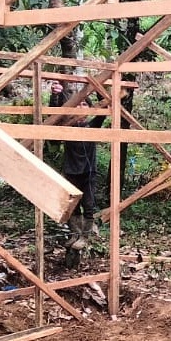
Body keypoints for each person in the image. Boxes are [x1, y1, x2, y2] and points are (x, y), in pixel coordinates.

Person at [51, 80, 99, 249]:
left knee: (88, 205)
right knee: (71, 206)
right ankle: (75, 234)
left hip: (88, 171)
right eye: (78, 104)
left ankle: (85, 237)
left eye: (85, 104)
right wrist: (55, 95)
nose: (81, 107)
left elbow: (102, 113)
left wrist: (101, 91)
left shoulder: (92, 126)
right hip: (71, 171)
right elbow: (55, 118)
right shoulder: (67, 126)